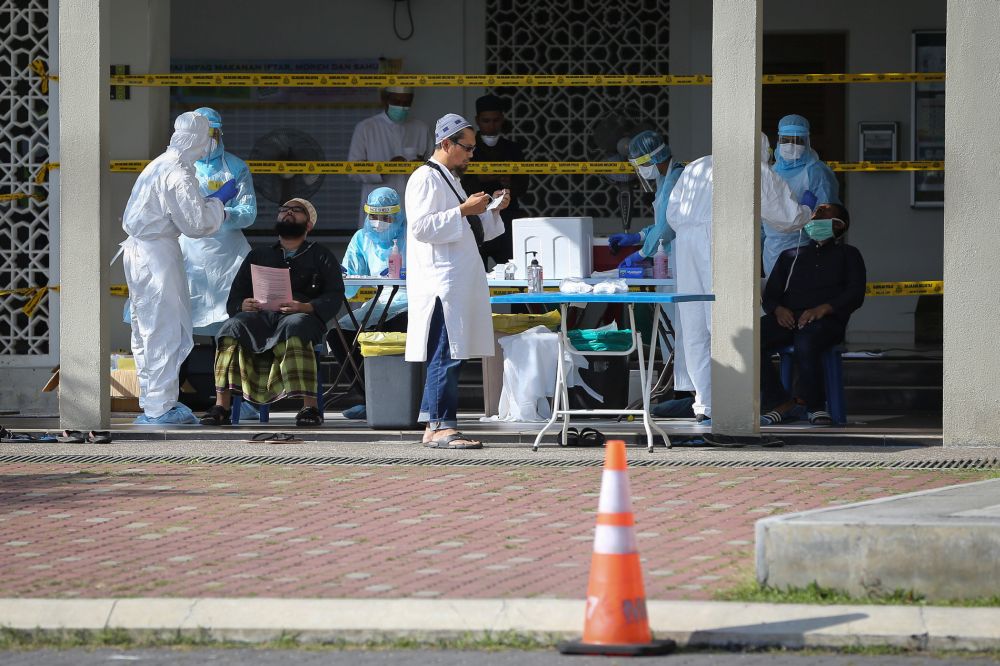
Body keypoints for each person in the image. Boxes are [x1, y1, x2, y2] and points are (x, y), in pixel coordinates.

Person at [662, 133, 814, 424]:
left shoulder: (696, 167)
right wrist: (806, 209)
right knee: (723, 322)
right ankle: (732, 403)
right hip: (720, 242)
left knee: (695, 329)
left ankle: (706, 403)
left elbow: (672, 214)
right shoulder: (754, 169)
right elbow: (786, 216)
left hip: (686, 245)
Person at [405, 113, 509, 449]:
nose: (471, 154)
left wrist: (490, 210)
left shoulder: (449, 178)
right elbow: (422, 227)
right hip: (440, 284)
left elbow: (467, 228)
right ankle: (440, 425)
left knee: (452, 352)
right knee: (446, 353)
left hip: (456, 279)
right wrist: (464, 210)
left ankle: (433, 421)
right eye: (467, 147)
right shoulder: (424, 178)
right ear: (446, 143)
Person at [122, 111, 233, 425]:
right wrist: (219, 204)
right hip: (157, 255)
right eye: (206, 140)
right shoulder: (178, 172)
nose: (206, 148)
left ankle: (153, 403)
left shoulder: (157, 164)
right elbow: (196, 224)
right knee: (165, 327)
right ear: (198, 140)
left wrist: (207, 201)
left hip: (141, 253)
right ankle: (161, 407)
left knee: (146, 329)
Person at [199, 198, 345, 427]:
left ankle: (310, 408)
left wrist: (305, 307)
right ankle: (221, 406)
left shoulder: (321, 255)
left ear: (308, 225)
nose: (288, 213)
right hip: (260, 319)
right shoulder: (259, 255)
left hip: (301, 318)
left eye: (296, 211)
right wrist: (243, 305)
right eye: (284, 210)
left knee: (295, 324)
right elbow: (234, 299)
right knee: (231, 327)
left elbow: (335, 294)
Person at [760, 204, 865, 426]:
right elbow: (770, 295)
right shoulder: (791, 255)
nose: (816, 217)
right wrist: (778, 310)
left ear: (839, 225)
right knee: (750, 338)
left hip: (826, 322)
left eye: (824, 215)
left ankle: (813, 404)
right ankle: (779, 401)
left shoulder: (849, 254)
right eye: (815, 215)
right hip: (788, 319)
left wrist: (822, 309)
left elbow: (855, 294)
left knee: (806, 340)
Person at [180, 107, 257, 336]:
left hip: (229, 254)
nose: (207, 141)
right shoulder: (181, 166)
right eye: (202, 135)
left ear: (218, 134)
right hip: (189, 249)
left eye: (211, 134)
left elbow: (249, 212)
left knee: (230, 321)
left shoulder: (236, 167)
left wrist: (222, 214)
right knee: (183, 321)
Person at [334, 186, 409, 421]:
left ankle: (398, 398)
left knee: (387, 329)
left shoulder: (413, 234)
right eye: (374, 216)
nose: (379, 222)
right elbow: (352, 281)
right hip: (380, 301)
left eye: (385, 217)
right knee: (339, 334)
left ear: (397, 215)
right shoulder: (362, 237)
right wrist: (339, 276)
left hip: (412, 299)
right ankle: (369, 397)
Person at [763, 114, 842, 276]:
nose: (791, 145)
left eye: (797, 140)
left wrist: (820, 251)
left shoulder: (816, 172)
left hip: (804, 249)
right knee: (775, 298)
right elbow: (761, 218)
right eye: (786, 140)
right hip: (772, 252)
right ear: (778, 140)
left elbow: (827, 219)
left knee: (802, 298)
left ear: (807, 141)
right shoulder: (771, 172)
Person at [460, 94, 529, 268]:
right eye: (486, 121)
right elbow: (459, 184)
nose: (491, 125)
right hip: (476, 220)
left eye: (496, 120)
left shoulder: (513, 149)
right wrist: (480, 178)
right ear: (477, 120)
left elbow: (524, 186)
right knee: (475, 275)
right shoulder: (468, 149)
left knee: (511, 274)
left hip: (507, 221)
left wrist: (509, 184)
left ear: (502, 119)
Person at [348, 86, 431, 226]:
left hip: (412, 203)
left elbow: (435, 165)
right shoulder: (366, 128)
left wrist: (421, 166)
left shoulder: (421, 128)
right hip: (378, 204)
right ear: (385, 100)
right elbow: (352, 170)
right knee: (377, 244)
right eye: (397, 102)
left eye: (406, 103)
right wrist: (384, 168)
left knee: (411, 245)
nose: (402, 107)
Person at [609, 130, 686, 270]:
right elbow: (662, 222)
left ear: (655, 157)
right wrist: (639, 236)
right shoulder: (664, 178)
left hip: (680, 255)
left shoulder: (674, 179)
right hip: (671, 254)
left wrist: (642, 253)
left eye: (641, 166)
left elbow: (666, 228)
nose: (640, 171)